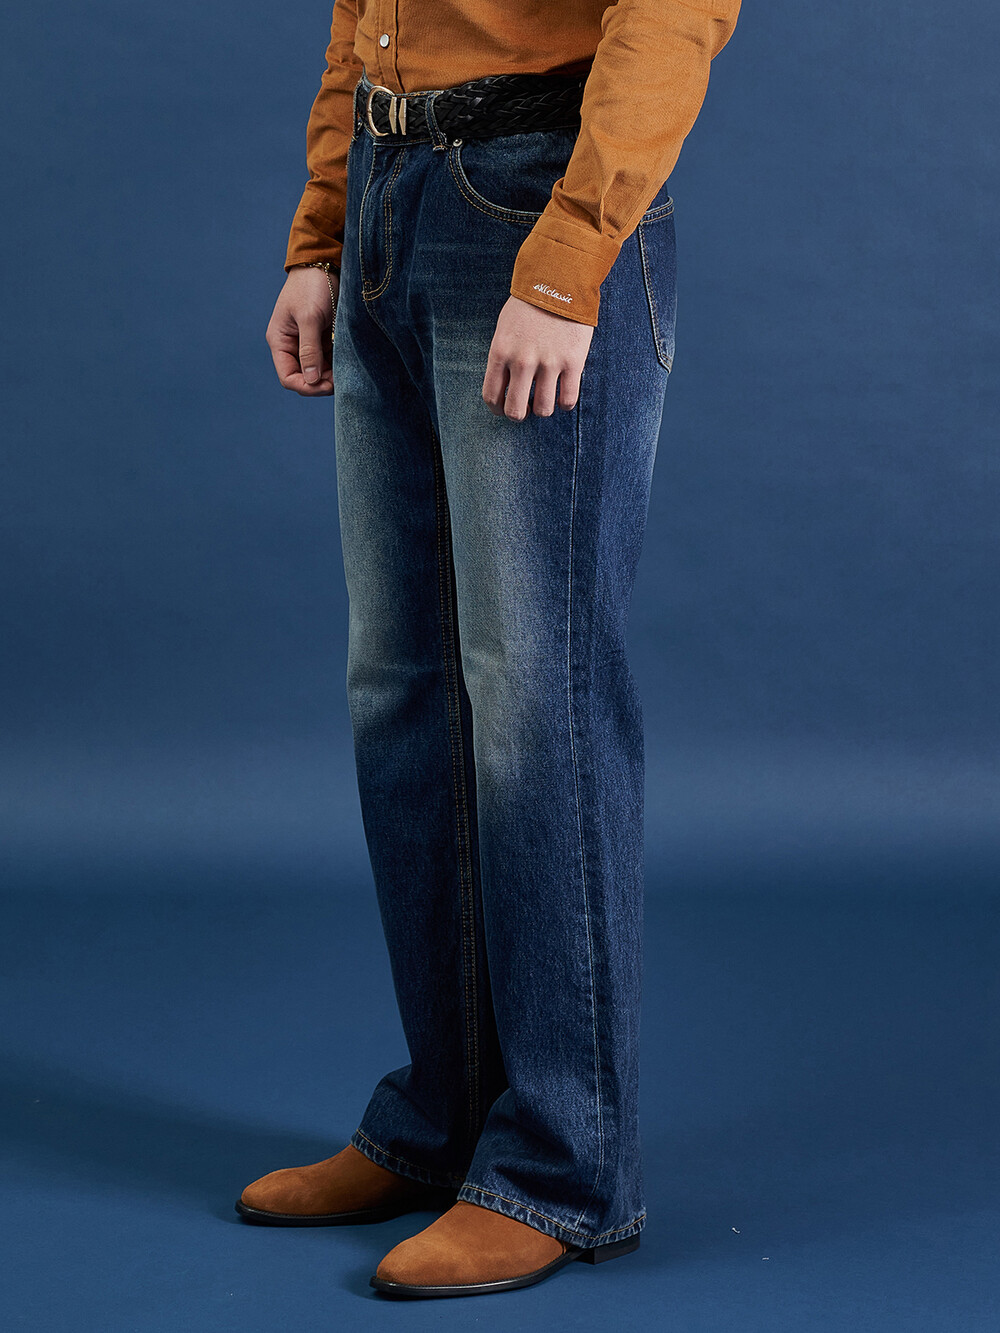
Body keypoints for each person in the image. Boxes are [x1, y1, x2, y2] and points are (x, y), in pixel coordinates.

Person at [238, 0, 741, 1299]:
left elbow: (672, 12)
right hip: (388, 195)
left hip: (535, 196)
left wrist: (569, 260)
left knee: (535, 702)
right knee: (401, 691)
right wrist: (322, 233)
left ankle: (563, 1169)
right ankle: (444, 1120)